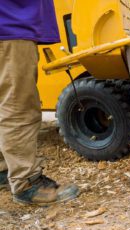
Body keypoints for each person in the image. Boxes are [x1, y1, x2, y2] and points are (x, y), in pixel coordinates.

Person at [0, 0, 79, 205]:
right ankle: (27, 184)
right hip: (10, 24)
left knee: (6, 103)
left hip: (7, 24)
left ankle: (3, 168)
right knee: (18, 108)